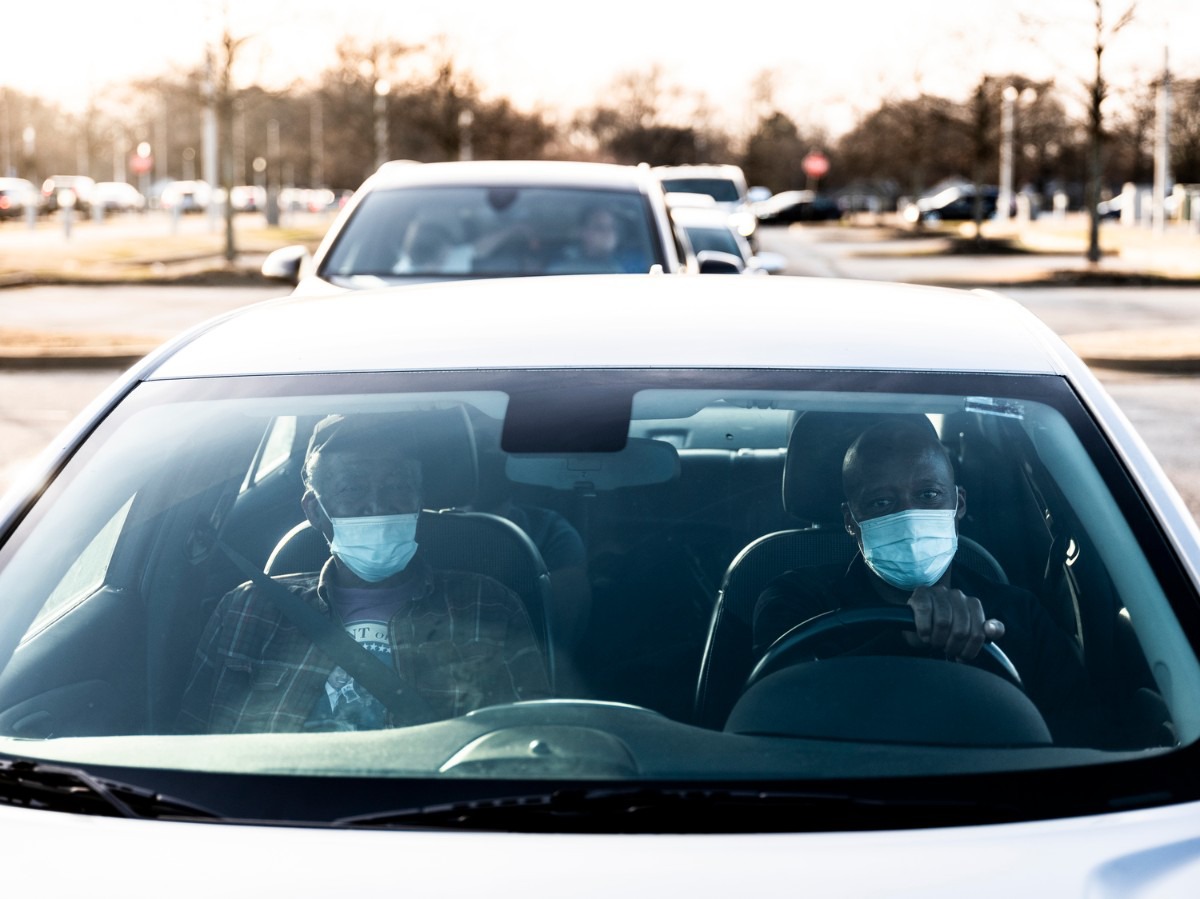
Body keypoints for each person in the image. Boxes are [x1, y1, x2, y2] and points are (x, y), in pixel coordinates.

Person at [178, 414, 551, 734]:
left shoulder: (488, 605)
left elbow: (530, 744)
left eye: (397, 486)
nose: (376, 504)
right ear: (315, 511)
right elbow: (189, 745)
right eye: (353, 488)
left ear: (419, 500)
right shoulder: (248, 611)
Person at [752, 417, 1108, 745]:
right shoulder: (795, 600)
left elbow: (1076, 736)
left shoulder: (1018, 612)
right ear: (850, 520)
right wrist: (904, 638)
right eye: (880, 502)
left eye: (928, 495)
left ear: (959, 503)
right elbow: (777, 716)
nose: (908, 517)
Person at [547, 205, 625, 274]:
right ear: (583, 232)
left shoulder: (625, 267)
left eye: (612, 227)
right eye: (600, 227)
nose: (608, 232)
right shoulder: (561, 270)